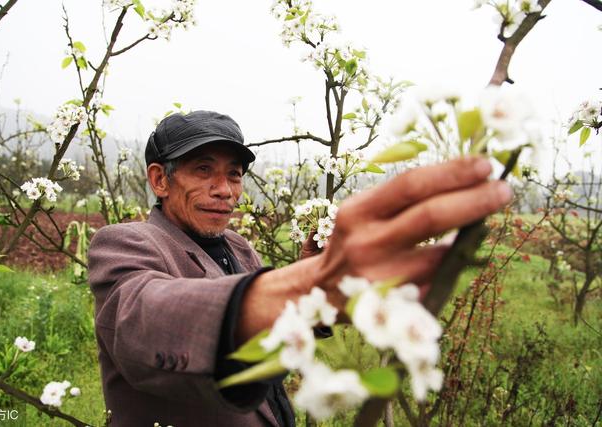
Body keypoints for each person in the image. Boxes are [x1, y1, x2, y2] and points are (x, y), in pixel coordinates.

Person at [88, 110, 512, 427]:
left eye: (234, 176)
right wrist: (311, 286)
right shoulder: (127, 242)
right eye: (203, 171)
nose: (224, 191)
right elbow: (141, 317)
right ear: (160, 180)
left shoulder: (238, 246)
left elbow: (267, 335)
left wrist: (310, 281)